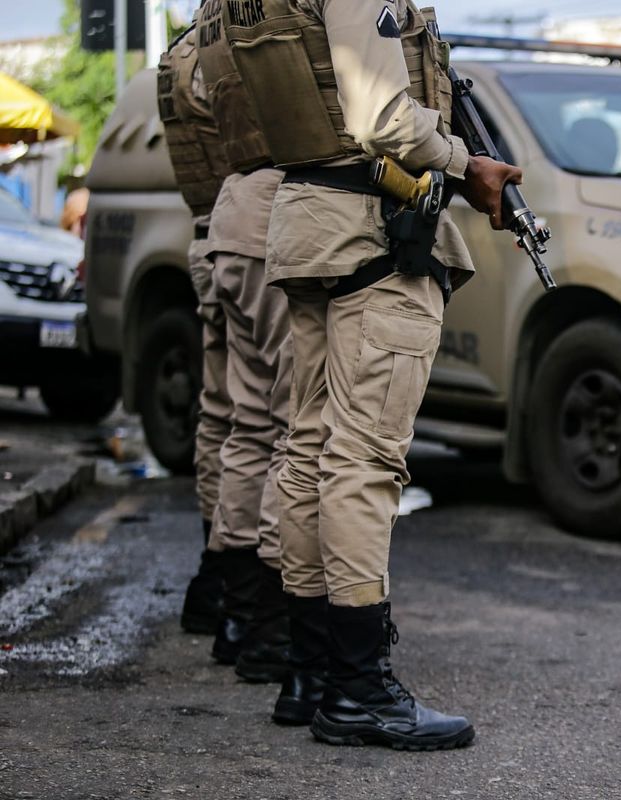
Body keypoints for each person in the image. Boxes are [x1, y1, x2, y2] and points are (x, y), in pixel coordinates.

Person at [223, 0, 520, 750]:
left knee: (309, 447)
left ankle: (312, 674)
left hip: (310, 216)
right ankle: (359, 690)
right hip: (374, 227)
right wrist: (464, 162)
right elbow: (383, 119)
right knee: (362, 461)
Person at [194, 0, 293, 685]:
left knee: (248, 422)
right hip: (281, 214)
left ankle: (238, 613)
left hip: (228, 214)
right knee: (296, 427)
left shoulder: (213, 16)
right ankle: (269, 627)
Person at [156, 26, 234, 638]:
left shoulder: (179, 50)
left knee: (222, 414)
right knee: (259, 422)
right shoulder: (226, 43)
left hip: (209, 232)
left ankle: (217, 576)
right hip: (240, 236)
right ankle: (232, 580)